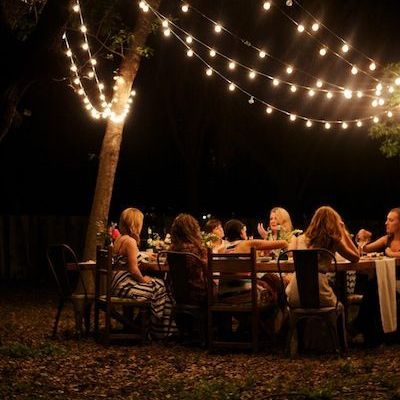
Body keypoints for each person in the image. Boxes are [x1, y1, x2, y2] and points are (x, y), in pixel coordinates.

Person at [112, 207, 176, 339]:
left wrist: (144, 254)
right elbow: (133, 269)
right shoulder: (130, 241)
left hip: (115, 282)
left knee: (158, 284)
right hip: (124, 285)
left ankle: (144, 326)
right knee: (161, 288)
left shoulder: (120, 239)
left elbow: (128, 257)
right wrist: (142, 280)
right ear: (135, 224)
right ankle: (157, 327)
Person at [286, 206, 359, 308]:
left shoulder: (300, 239)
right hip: (319, 292)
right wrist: (343, 232)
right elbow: (356, 257)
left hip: (295, 291)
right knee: (340, 308)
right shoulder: (332, 241)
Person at [169, 213, 208, 305]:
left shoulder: (171, 250)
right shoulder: (199, 249)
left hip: (176, 295)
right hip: (199, 295)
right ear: (193, 229)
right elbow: (208, 272)